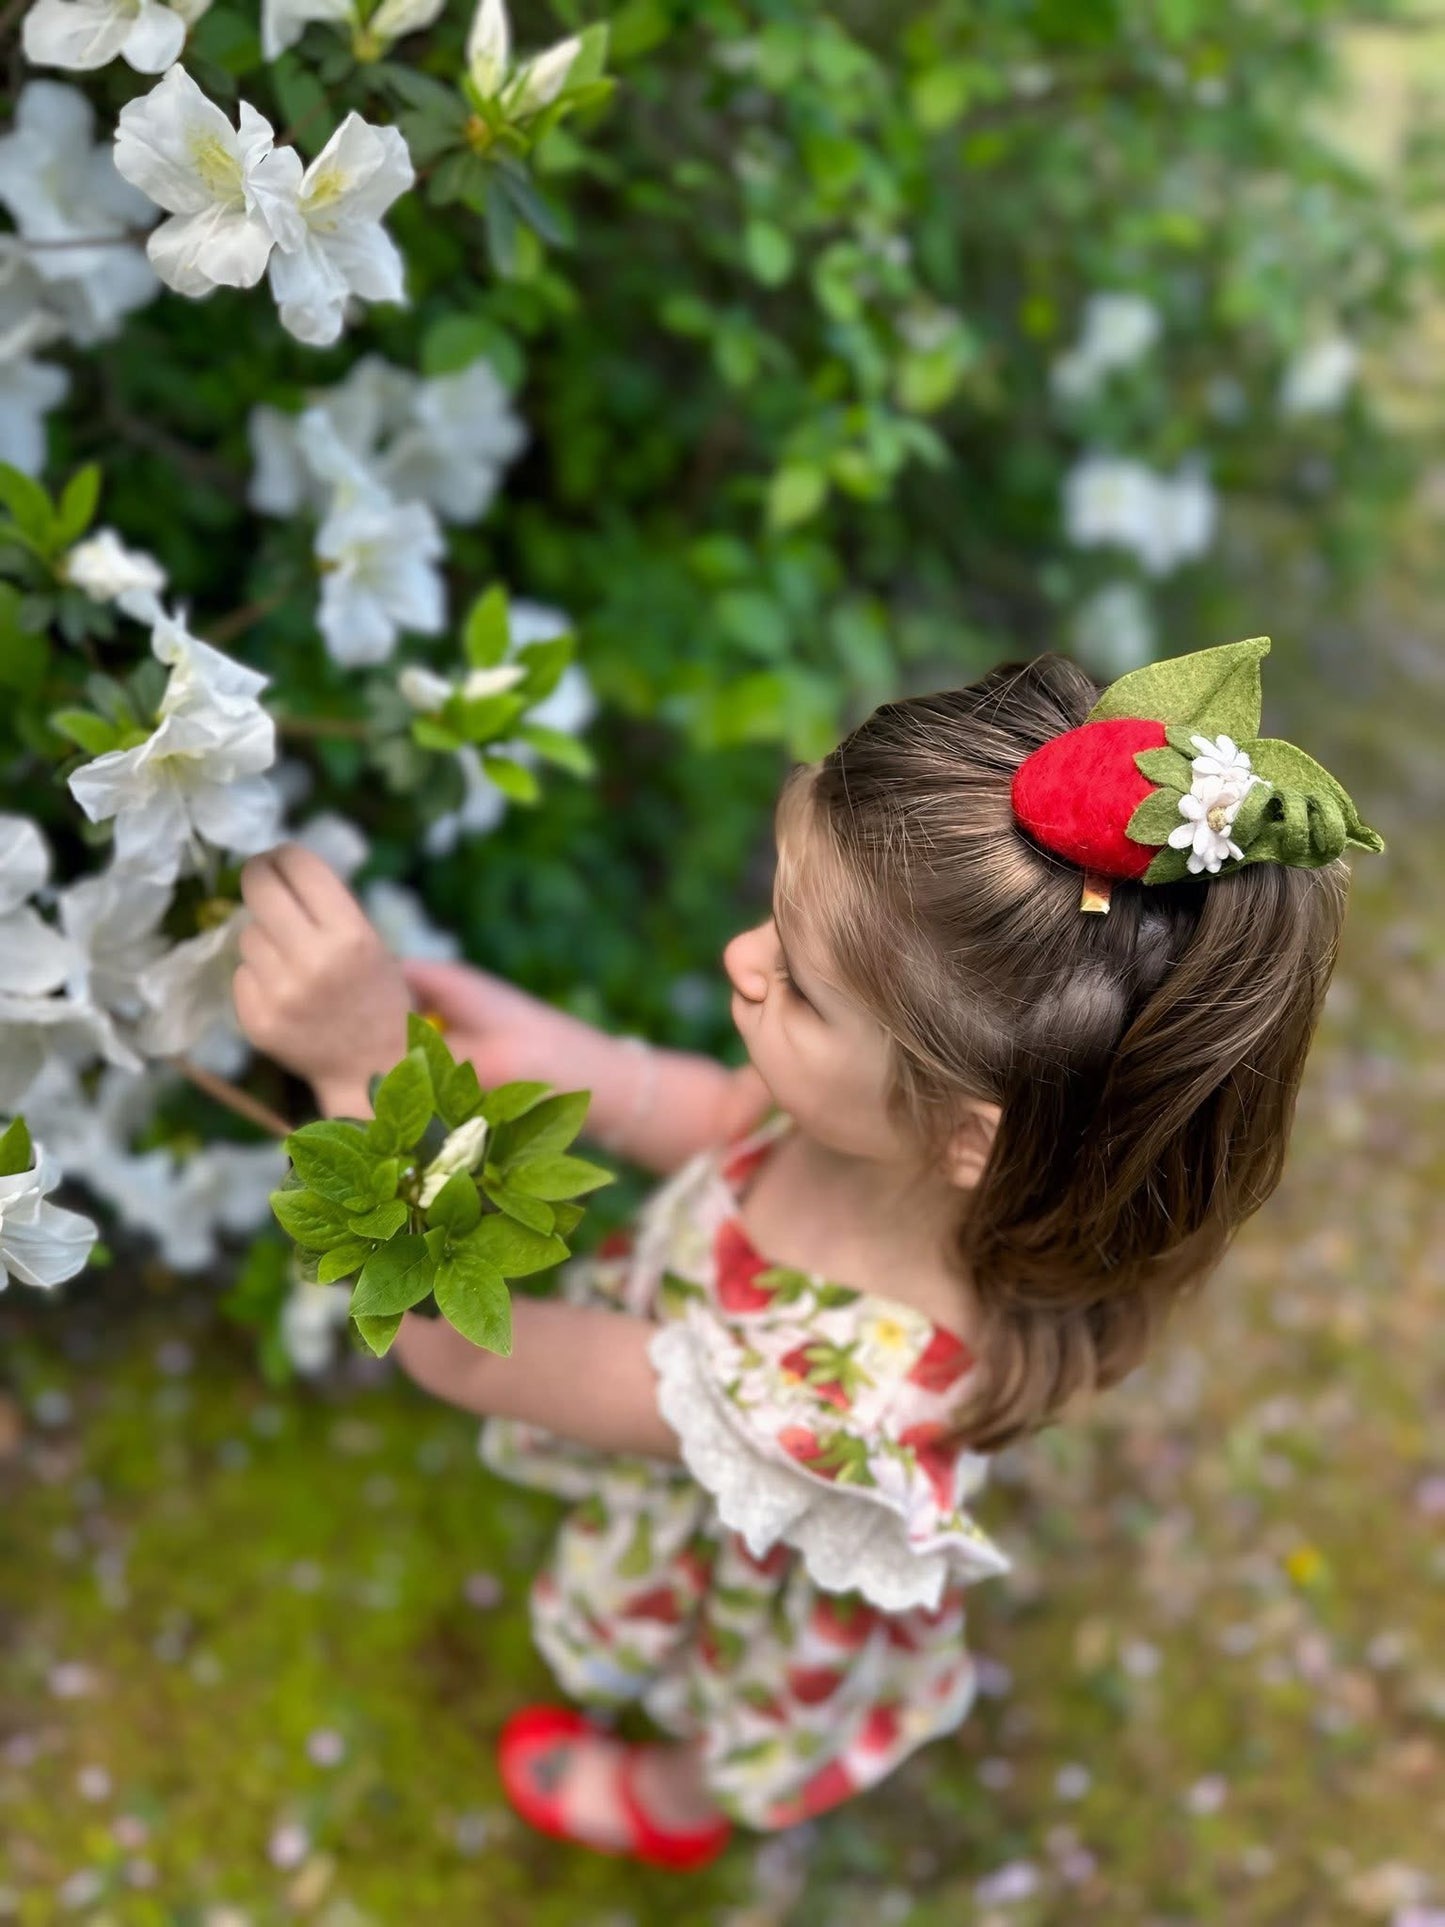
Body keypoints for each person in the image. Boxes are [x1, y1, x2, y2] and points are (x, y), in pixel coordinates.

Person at [231, 639, 1383, 1871]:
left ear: (965, 1135)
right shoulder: (901, 1141)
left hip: (762, 1562)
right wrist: (566, 1058)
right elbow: (723, 1115)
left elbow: (464, 1359)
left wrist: (356, 1073)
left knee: (735, 1702)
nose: (741, 958)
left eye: (799, 986)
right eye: (775, 913)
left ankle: (676, 1796)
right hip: (699, 1456)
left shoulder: (820, 1395)